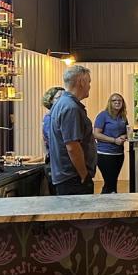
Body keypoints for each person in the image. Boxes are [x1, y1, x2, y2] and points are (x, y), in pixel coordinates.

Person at [47, 64, 97, 195]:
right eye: (89, 82)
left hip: (67, 176)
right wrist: (84, 175)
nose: (90, 86)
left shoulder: (62, 103)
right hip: (73, 178)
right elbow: (72, 146)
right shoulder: (71, 108)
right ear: (81, 82)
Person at [94, 93, 129, 194]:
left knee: (113, 182)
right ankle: (105, 206)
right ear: (110, 103)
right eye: (114, 100)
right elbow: (96, 134)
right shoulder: (103, 115)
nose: (117, 102)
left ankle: (113, 204)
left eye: (120, 100)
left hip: (118, 154)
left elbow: (127, 132)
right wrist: (114, 140)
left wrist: (124, 136)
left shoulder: (123, 117)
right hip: (105, 154)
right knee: (109, 183)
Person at [41, 86, 64, 195]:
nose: (62, 101)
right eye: (58, 97)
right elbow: (55, 141)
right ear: (50, 100)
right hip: (56, 162)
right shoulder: (50, 118)